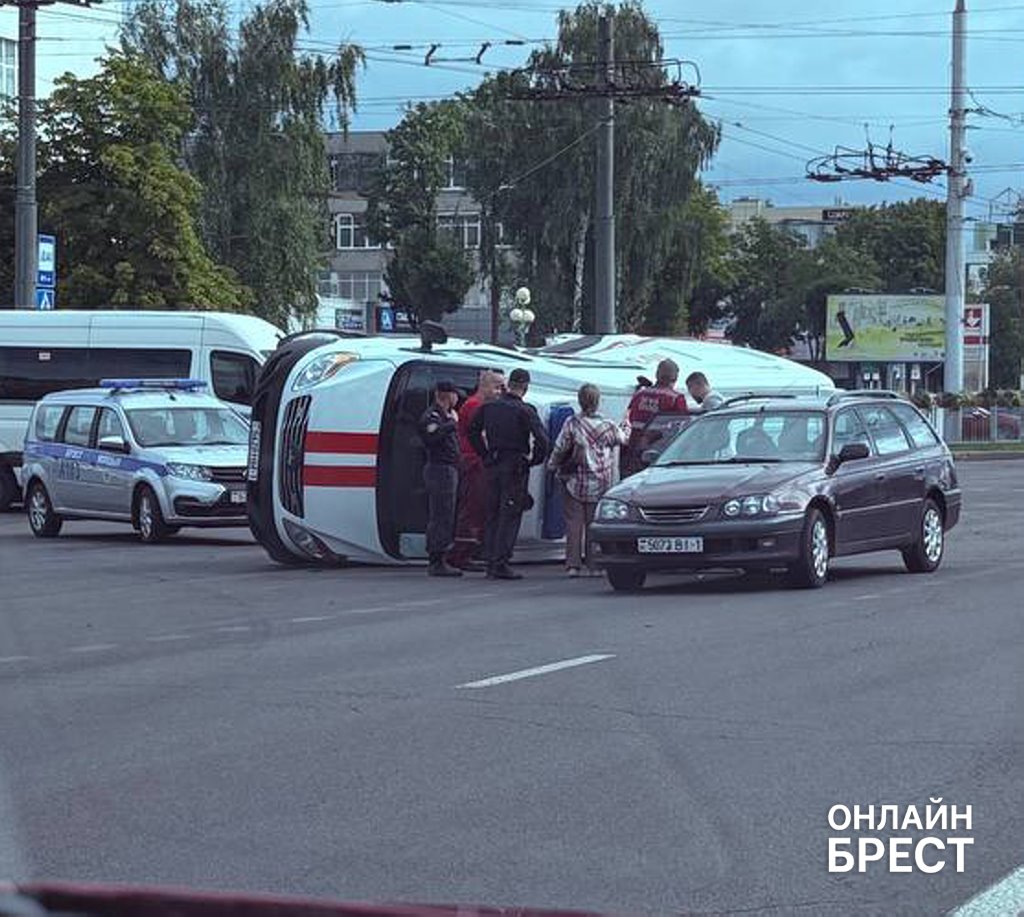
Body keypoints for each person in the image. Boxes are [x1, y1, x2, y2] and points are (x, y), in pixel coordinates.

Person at [468, 367, 549, 580]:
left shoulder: (489, 407)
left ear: (508, 384)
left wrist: (485, 454)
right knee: (510, 514)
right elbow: (542, 440)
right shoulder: (525, 410)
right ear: (526, 387)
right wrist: (534, 460)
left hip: (493, 463)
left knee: (492, 512)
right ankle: (500, 562)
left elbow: (472, 430)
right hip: (515, 465)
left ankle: (489, 558)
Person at [547, 383, 630, 576]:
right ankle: (594, 565)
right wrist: (627, 421)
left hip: (574, 480)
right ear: (598, 401)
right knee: (594, 524)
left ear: (580, 400)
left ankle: (573, 565)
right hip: (600, 481)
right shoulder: (608, 426)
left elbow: (560, 448)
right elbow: (624, 438)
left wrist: (552, 466)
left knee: (573, 524)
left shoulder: (572, 423)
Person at [448, 368, 505, 571]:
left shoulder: (475, 405)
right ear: (486, 385)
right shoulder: (475, 406)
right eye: (497, 387)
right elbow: (482, 435)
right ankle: (461, 553)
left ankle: (467, 550)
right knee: (472, 507)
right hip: (473, 460)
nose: (500, 392)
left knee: (476, 506)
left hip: (473, 460)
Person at [417, 380, 462, 578]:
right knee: (441, 514)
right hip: (439, 469)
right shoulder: (432, 416)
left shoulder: (445, 416)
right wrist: (452, 424)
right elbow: (431, 436)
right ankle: (436, 560)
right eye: (454, 394)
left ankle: (442, 555)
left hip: (448, 469)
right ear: (445, 395)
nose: (457, 398)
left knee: (447, 513)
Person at [622, 358, 689, 476]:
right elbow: (683, 428)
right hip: (662, 455)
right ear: (675, 378)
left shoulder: (639, 395)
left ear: (657, 374)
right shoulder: (676, 398)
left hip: (635, 450)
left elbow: (631, 418)